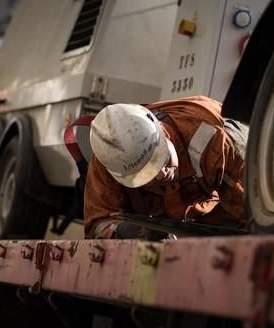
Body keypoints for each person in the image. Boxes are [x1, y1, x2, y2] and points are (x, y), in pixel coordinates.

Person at [84, 95, 248, 239]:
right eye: (145, 174)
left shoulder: (215, 142)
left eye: (161, 159)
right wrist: (129, 231)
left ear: (163, 132)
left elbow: (255, 216)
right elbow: (98, 225)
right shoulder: (111, 161)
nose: (161, 174)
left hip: (223, 221)